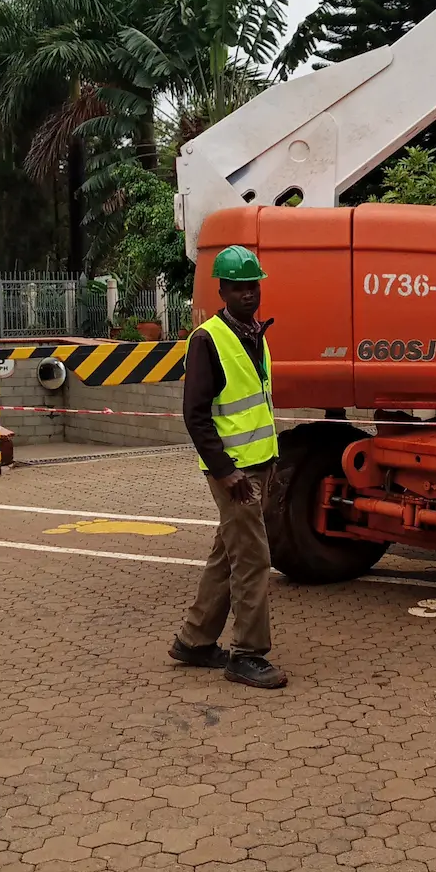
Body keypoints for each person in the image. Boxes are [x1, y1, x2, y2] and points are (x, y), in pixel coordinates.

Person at [169, 245, 287, 689]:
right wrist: (225, 471)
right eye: (238, 288)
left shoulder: (255, 332)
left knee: (228, 552)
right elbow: (195, 414)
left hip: (257, 463)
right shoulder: (208, 340)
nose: (248, 294)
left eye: (253, 285)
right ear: (222, 290)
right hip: (234, 472)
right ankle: (247, 654)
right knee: (253, 559)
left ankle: (195, 641)